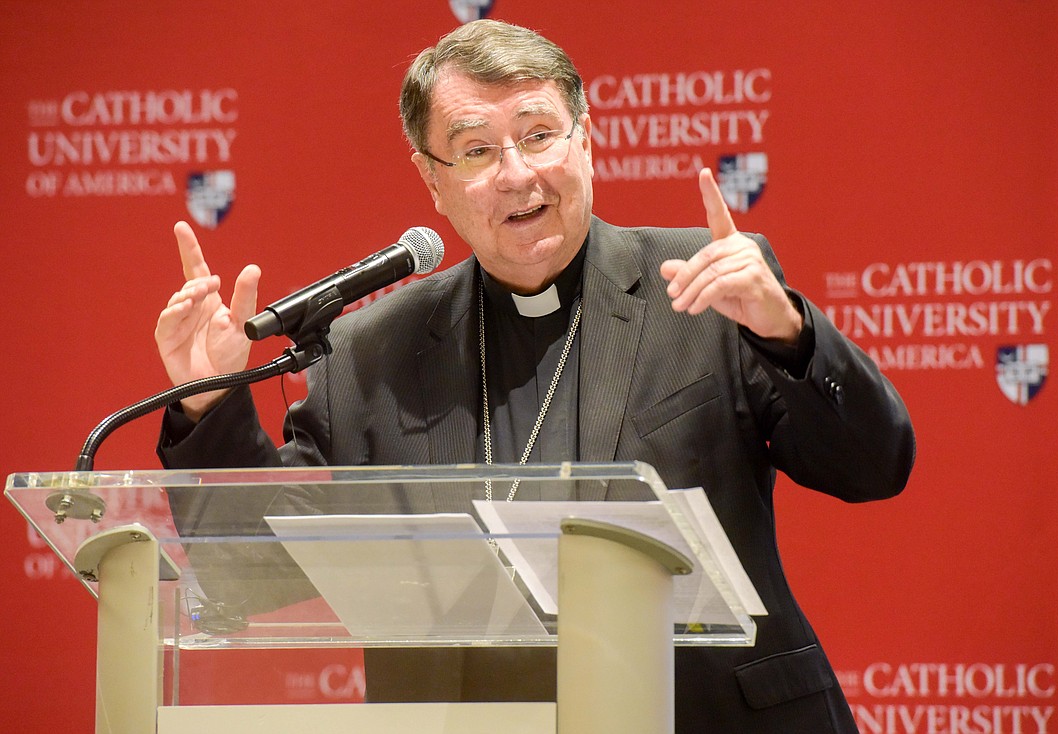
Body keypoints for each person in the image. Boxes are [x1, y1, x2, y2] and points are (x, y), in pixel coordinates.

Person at [155, 18, 915, 733]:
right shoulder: (370, 353)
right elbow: (248, 569)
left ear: (586, 143)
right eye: (477, 150)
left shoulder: (706, 288)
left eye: (539, 135)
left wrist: (787, 331)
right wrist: (209, 404)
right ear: (434, 182)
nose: (517, 175)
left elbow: (874, 466)